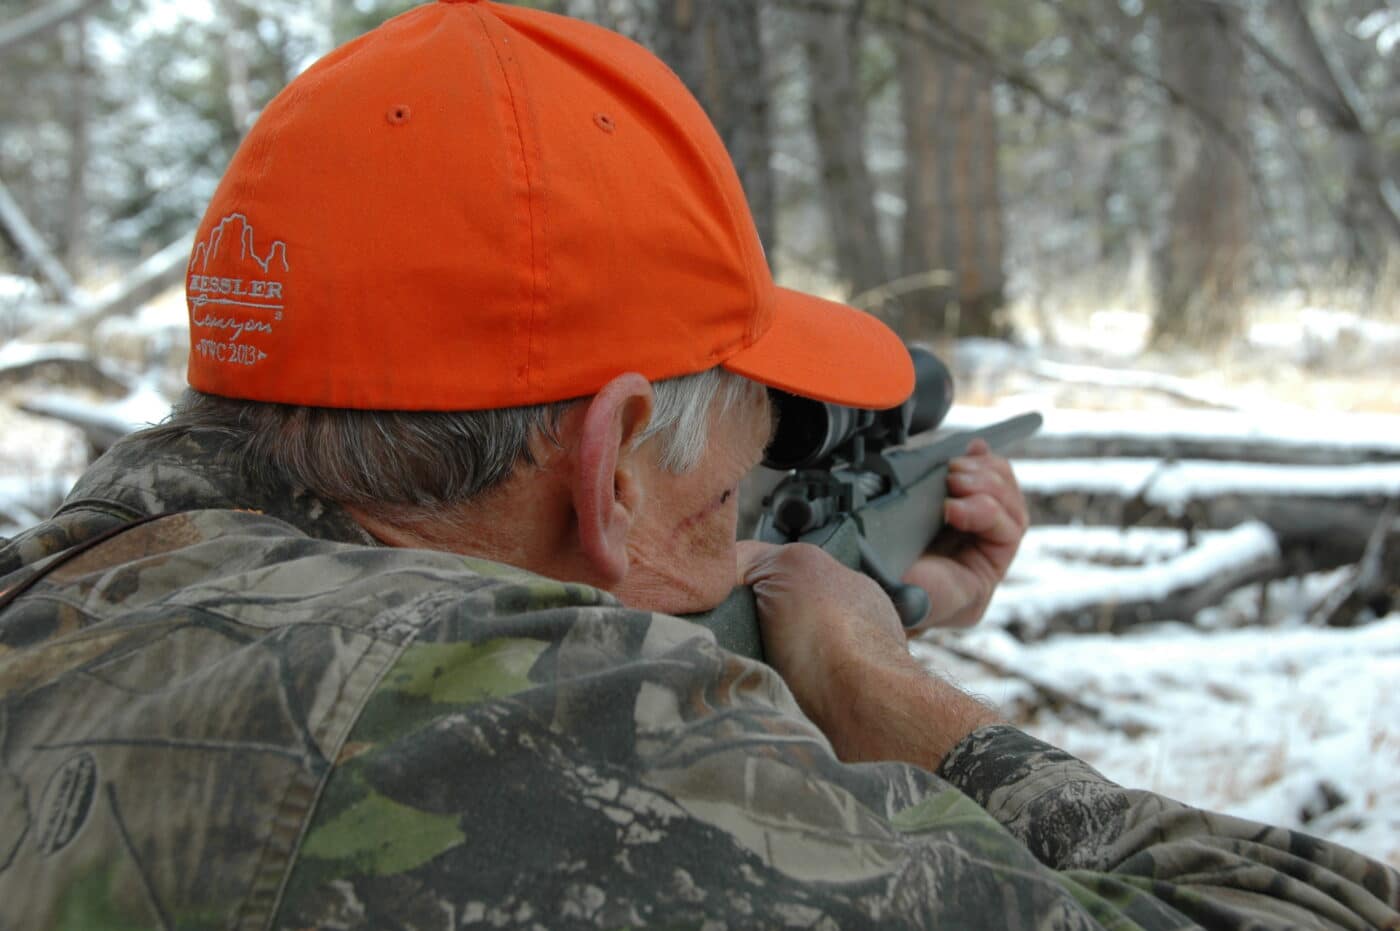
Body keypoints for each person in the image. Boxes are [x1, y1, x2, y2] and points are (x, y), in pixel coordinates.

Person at [1, 1, 1396, 927]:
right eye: (738, 476)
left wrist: (863, 594)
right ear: (609, 468)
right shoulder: (548, 725)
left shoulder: (57, 592)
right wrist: (875, 687)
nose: (739, 520)